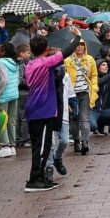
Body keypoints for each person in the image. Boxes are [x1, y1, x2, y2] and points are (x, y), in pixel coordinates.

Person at [24, 27, 81, 192]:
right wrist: (77, 37)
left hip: (34, 109)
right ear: (46, 48)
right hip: (42, 110)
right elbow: (67, 52)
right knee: (42, 147)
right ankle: (34, 180)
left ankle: (41, 177)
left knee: (42, 145)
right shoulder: (45, 62)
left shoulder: (30, 64)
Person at [64, 39, 97, 154]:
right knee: (74, 119)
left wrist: (94, 87)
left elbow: (94, 75)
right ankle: (76, 141)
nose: (80, 47)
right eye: (77, 45)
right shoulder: (67, 61)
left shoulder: (90, 59)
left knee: (85, 119)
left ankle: (85, 143)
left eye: (82, 45)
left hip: (85, 93)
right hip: (72, 95)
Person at [0, 42, 19, 158]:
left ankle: (5, 146)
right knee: (12, 120)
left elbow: (3, 80)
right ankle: (12, 146)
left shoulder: (0, 62)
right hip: (14, 94)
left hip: (3, 95)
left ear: (3, 52)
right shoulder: (15, 62)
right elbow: (17, 79)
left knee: (1, 120)